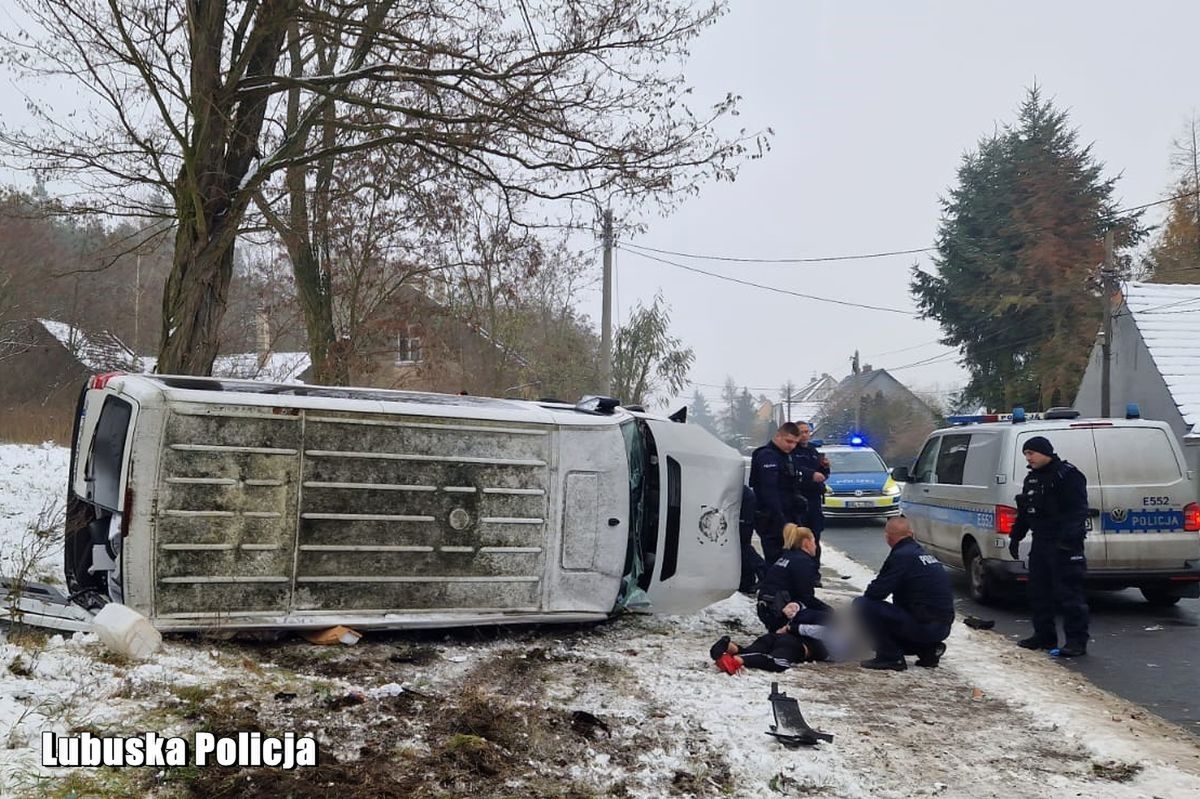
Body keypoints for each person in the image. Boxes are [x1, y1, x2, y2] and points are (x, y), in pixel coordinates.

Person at [1007, 435, 1090, 657]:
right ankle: (1043, 636)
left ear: (1045, 452)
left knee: (1069, 594)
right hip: (1041, 542)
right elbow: (1025, 513)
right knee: (1038, 592)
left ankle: (1076, 641)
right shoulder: (1032, 479)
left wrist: (1068, 540)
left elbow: (1078, 512)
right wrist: (1015, 537)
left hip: (1064, 544)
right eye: (1025, 454)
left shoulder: (1068, 476)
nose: (1028, 458)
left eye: (1031, 453)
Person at [853, 516, 954, 671]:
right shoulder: (923, 554)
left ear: (888, 537)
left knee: (863, 605)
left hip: (924, 625)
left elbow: (875, 593)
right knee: (897, 617)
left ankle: (891, 657)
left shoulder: (901, 556)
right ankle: (927, 651)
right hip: (943, 626)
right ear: (911, 534)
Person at [749, 422, 808, 565]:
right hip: (772, 517)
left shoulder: (787, 456)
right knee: (776, 559)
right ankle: (774, 586)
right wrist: (780, 520)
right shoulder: (767, 456)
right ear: (777, 436)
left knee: (791, 558)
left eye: (795, 443)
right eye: (788, 441)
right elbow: (769, 491)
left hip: (789, 515)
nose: (791, 446)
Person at [756, 523, 831, 634]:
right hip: (779, 612)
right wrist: (829, 611)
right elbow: (806, 596)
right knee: (828, 618)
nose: (816, 546)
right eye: (814, 542)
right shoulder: (803, 562)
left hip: (766, 608)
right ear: (806, 543)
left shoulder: (786, 557)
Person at [789, 421, 830, 571]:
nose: (805, 435)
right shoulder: (792, 451)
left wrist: (825, 468)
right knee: (800, 537)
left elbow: (823, 474)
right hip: (800, 499)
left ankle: (814, 572)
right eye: (802, 432)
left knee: (815, 537)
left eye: (807, 432)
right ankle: (801, 570)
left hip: (815, 500)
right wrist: (811, 474)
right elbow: (795, 470)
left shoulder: (813, 451)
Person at [708, 630, 828, 674]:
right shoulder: (827, 635)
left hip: (773, 637)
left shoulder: (803, 614)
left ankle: (727, 645)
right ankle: (737, 661)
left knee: (749, 651)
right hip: (795, 646)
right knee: (776, 662)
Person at [738, 486, 765, 594]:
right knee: (741, 548)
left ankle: (762, 570)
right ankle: (747, 581)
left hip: (745, 508)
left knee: (743, 546)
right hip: (743, 504)